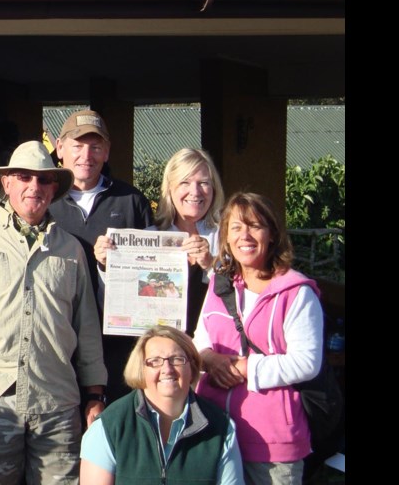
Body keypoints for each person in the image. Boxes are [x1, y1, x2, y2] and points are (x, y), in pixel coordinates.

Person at [0, 141, 107, 485]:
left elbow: (86, 329)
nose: (34, 187)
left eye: (43, 180)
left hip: (57, 404)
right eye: (24, 177)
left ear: (54, 188)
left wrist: (95, 396)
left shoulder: (70, 248)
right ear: (7, 183)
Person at [194, 192, 323, 485]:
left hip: (272, 444)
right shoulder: (220, 284)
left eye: (255, 226)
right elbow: (201, 337)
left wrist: (245, 369)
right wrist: (210, 359)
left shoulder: (296, 292)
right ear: (225, 237)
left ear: (273, 234)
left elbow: (307, 362)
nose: (245, 235)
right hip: (215, 433)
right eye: (236, 227)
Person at [51, 109, 153, 404]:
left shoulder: (131, 201)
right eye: (78, 145)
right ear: (60, 148)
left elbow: (154, 275)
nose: (87, 155)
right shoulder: (45, 200)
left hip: (119, 344)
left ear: (106, 152)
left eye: (95, 147)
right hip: (61, 341)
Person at [79, 326, 243, 485]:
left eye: (177, 359)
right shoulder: (109, 426)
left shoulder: (221, 427)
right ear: (140, 369)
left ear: (192, 368)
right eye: (155, 361)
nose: (167, 369)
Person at [153, 148, 225, 335]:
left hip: (217, 349)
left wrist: (210, 264)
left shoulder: (230, 236)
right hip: (164, 349)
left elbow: (246, 294)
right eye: (185, 182)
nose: (195, 191)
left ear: (214, 189)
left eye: (203, 183)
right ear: (170, 188)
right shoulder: (151, 236)